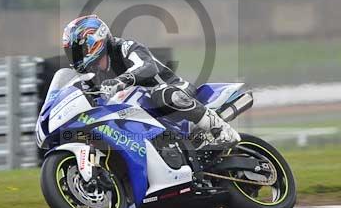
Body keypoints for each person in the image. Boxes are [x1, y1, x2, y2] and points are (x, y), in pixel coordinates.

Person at [62, 14, 240, 147]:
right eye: (73, 52)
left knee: (163, 95)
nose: (77, 56)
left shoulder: (124, 47)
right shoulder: (92, 77)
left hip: (173, 90)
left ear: (95, 39)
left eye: (79, 50)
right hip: (140, 111)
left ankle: (220, 129)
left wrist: (120, 81)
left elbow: (147, 67)